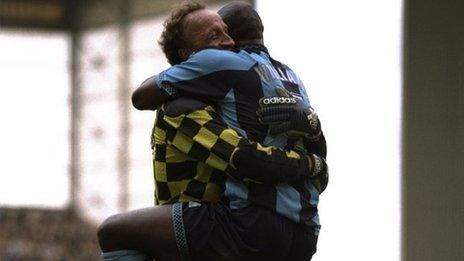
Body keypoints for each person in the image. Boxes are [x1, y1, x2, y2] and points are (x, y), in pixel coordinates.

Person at [98, 2, 327, 261]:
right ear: (189, 55)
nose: (229, 43)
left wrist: (310, 165)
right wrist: (316, 154)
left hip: (246, 228)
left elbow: (245, 159)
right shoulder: (289, 77)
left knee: (112, 232)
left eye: (227, 32)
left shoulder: (185, 106)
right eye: (214, 36)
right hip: (305, 231)